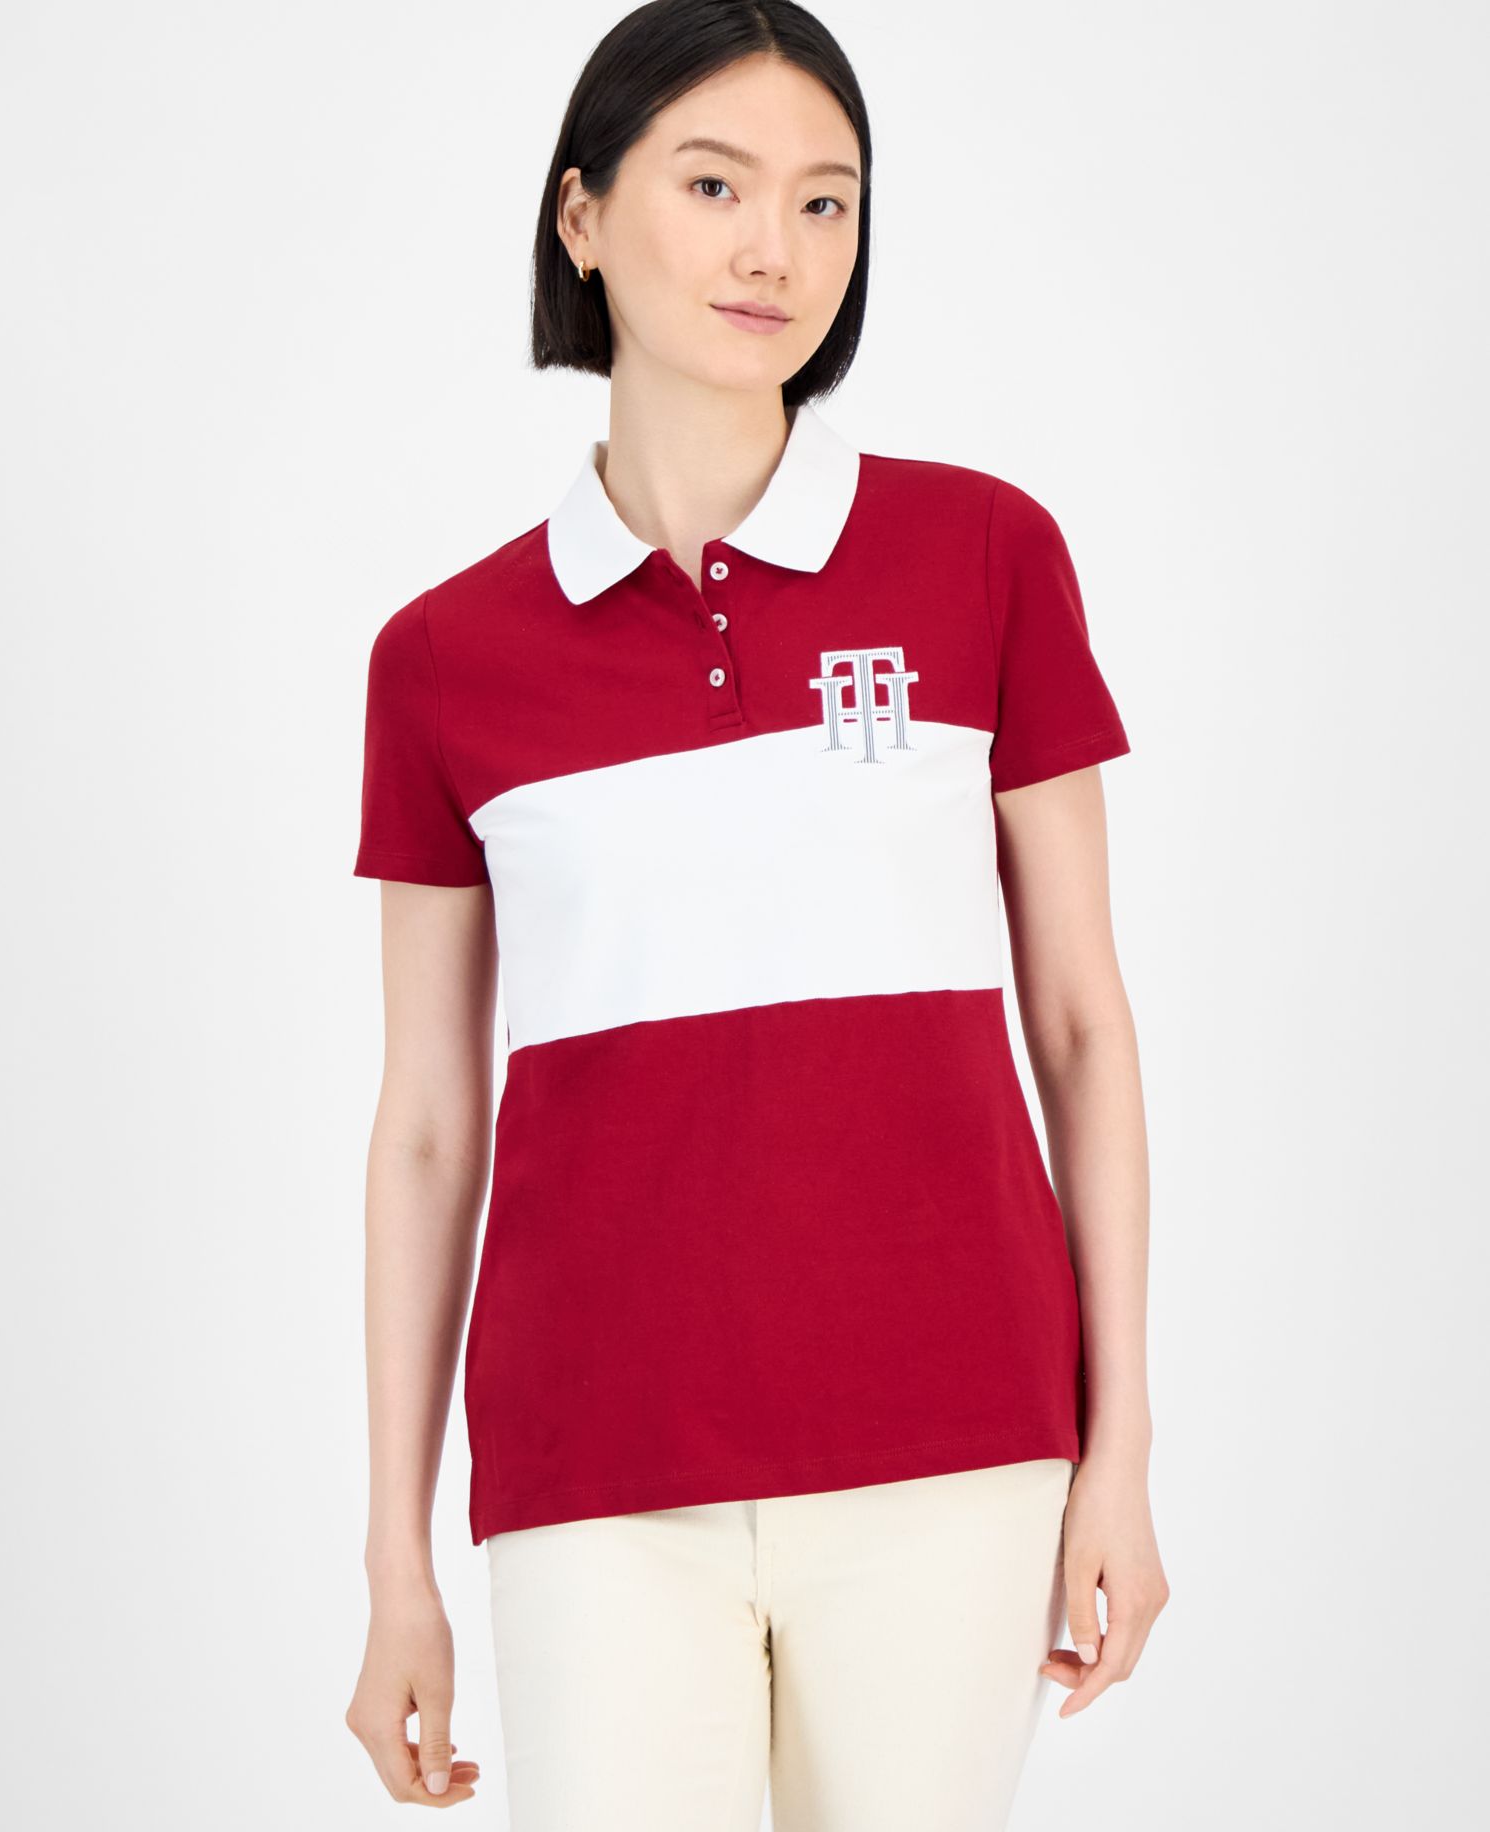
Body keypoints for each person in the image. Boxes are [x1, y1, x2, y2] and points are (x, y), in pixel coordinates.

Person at [344, 2, 1169, 1825]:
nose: (774, 250)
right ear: (581, 216)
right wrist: (399, 1561)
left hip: (953, 1441)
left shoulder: (986, 557)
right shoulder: (444, 660)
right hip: (592, 1465)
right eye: (713, 186)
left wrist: (1120, 1447)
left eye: (825, 201)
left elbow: (1083, 1025)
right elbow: (426, 1129)